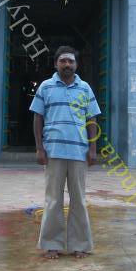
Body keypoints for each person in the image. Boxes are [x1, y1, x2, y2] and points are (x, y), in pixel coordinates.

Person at [30, 47, 101, 259]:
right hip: (53, 152)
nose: (67, 64)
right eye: (63, 61)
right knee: (53, 200)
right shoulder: (46, 87)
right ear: (56, 64)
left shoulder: (85, 88)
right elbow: (37, 118)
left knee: (79, 200)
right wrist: (40, 148)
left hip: (79, 152)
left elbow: (91, 120)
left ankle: (81, 245)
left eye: (70, 61)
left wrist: (93, 149)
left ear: (76, 65)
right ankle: (52, 245)